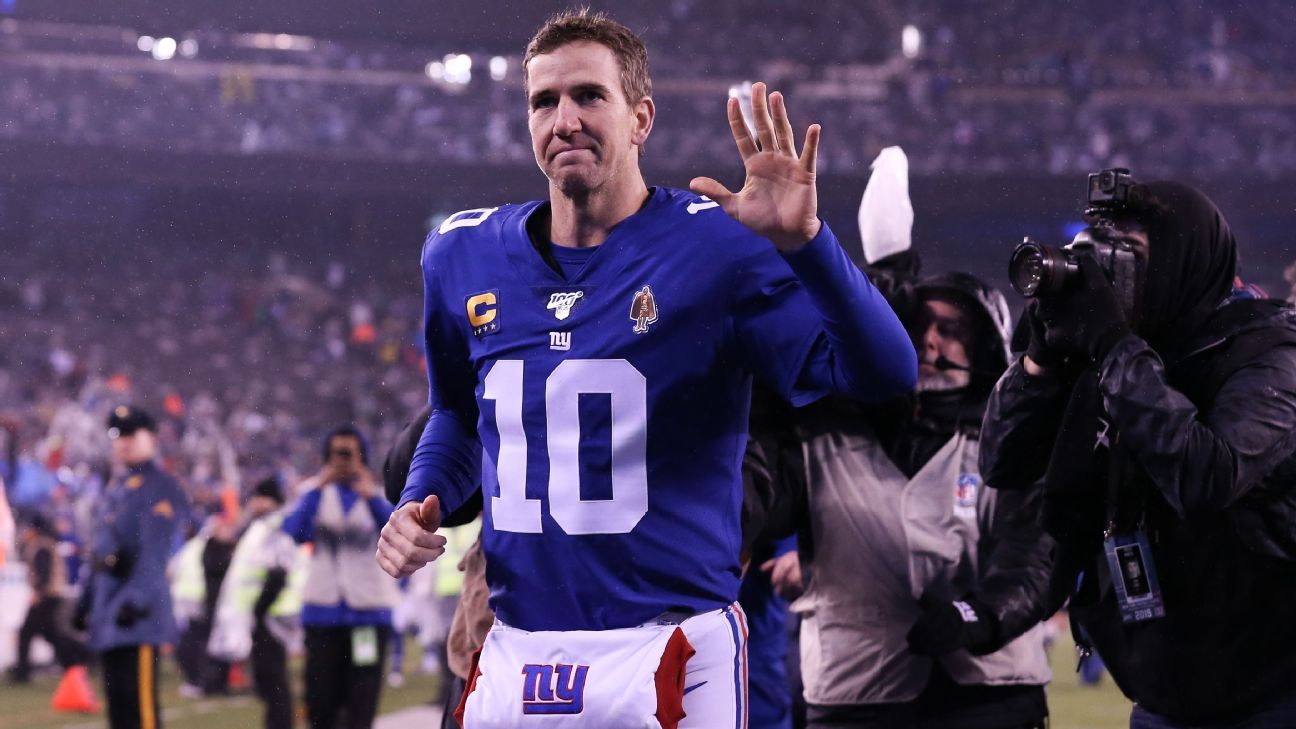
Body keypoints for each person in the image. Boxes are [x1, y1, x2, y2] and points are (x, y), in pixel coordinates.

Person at [376, 9, 915, 727]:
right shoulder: (460, 253)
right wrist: (421, 497)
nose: (564, 119)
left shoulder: (719, 245)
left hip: (670, 638)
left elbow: (885, 374)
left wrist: (809, 243)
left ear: (641, 118)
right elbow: (457, 414)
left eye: (588, 96)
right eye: (544, 101)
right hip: (515, 644)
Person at [980, 176, 1296, 727]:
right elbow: (1003, 463)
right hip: (1160, 696)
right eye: (1096, 250)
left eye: (1127, 256)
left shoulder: (1269, 353)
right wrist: (1041, 356)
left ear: (1184, 262)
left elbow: (1207, 476)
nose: (1102, 275)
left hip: (1273, 692)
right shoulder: (1110, 353)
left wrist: (1112, 344)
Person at [775, 148, 1051, 729]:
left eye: (951, 332)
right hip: (856, 696)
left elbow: (1035, 552)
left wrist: (982, 615)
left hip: (990, 696)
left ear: (985, 347)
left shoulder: (1015, 437)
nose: (929, 346)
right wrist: (882, 287)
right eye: (915, 329)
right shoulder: (825, 425)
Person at [79, 406, 189, 729]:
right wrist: (86, 602)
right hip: (109, 615)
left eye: (130, 434)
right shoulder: (118, 489)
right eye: (117, 435)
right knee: (119, 713)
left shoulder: (160, 486)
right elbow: (100, 553)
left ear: (152, 439)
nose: (123, 442)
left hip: (135, 618)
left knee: (140, 713)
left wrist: (135, 600)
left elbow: (154, 554)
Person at [285, 425, 397, 729]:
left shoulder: (379, 492)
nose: (343, 460)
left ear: (362, 457)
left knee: (362, 698)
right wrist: (319, 487)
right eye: (338, 454)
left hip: (368, 615)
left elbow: (394, 530)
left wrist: (371, 496)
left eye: (350, 454)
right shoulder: (313, 492)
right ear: (326, 457)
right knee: (321, 701)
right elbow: (295, 533)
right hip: (323, 612)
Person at [208, 477, 304, 729]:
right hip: (264, 613)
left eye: (258, 497)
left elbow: (277, 572)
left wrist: (259, 610)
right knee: (267, 681)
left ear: (269, 500)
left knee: (273, 682)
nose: (252, 502)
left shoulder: (275, 525)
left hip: (271, 614)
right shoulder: (262, 526)